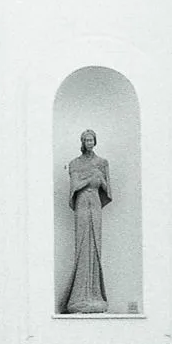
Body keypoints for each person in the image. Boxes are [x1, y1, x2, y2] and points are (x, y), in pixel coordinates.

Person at [64, 129, 111, 314]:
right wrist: (90, 179)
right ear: (82, 142)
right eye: (86, 140)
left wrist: (100, 180)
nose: (89, 142)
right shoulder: (74, 163)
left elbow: (108, 190)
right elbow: (74, 186)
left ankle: (95, 294)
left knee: (95, 245)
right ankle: (79, 296)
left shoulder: (102, 163)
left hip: (96, 204)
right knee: (83, 244)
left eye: (91, 139)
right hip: (82, 203)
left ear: (95, 141)